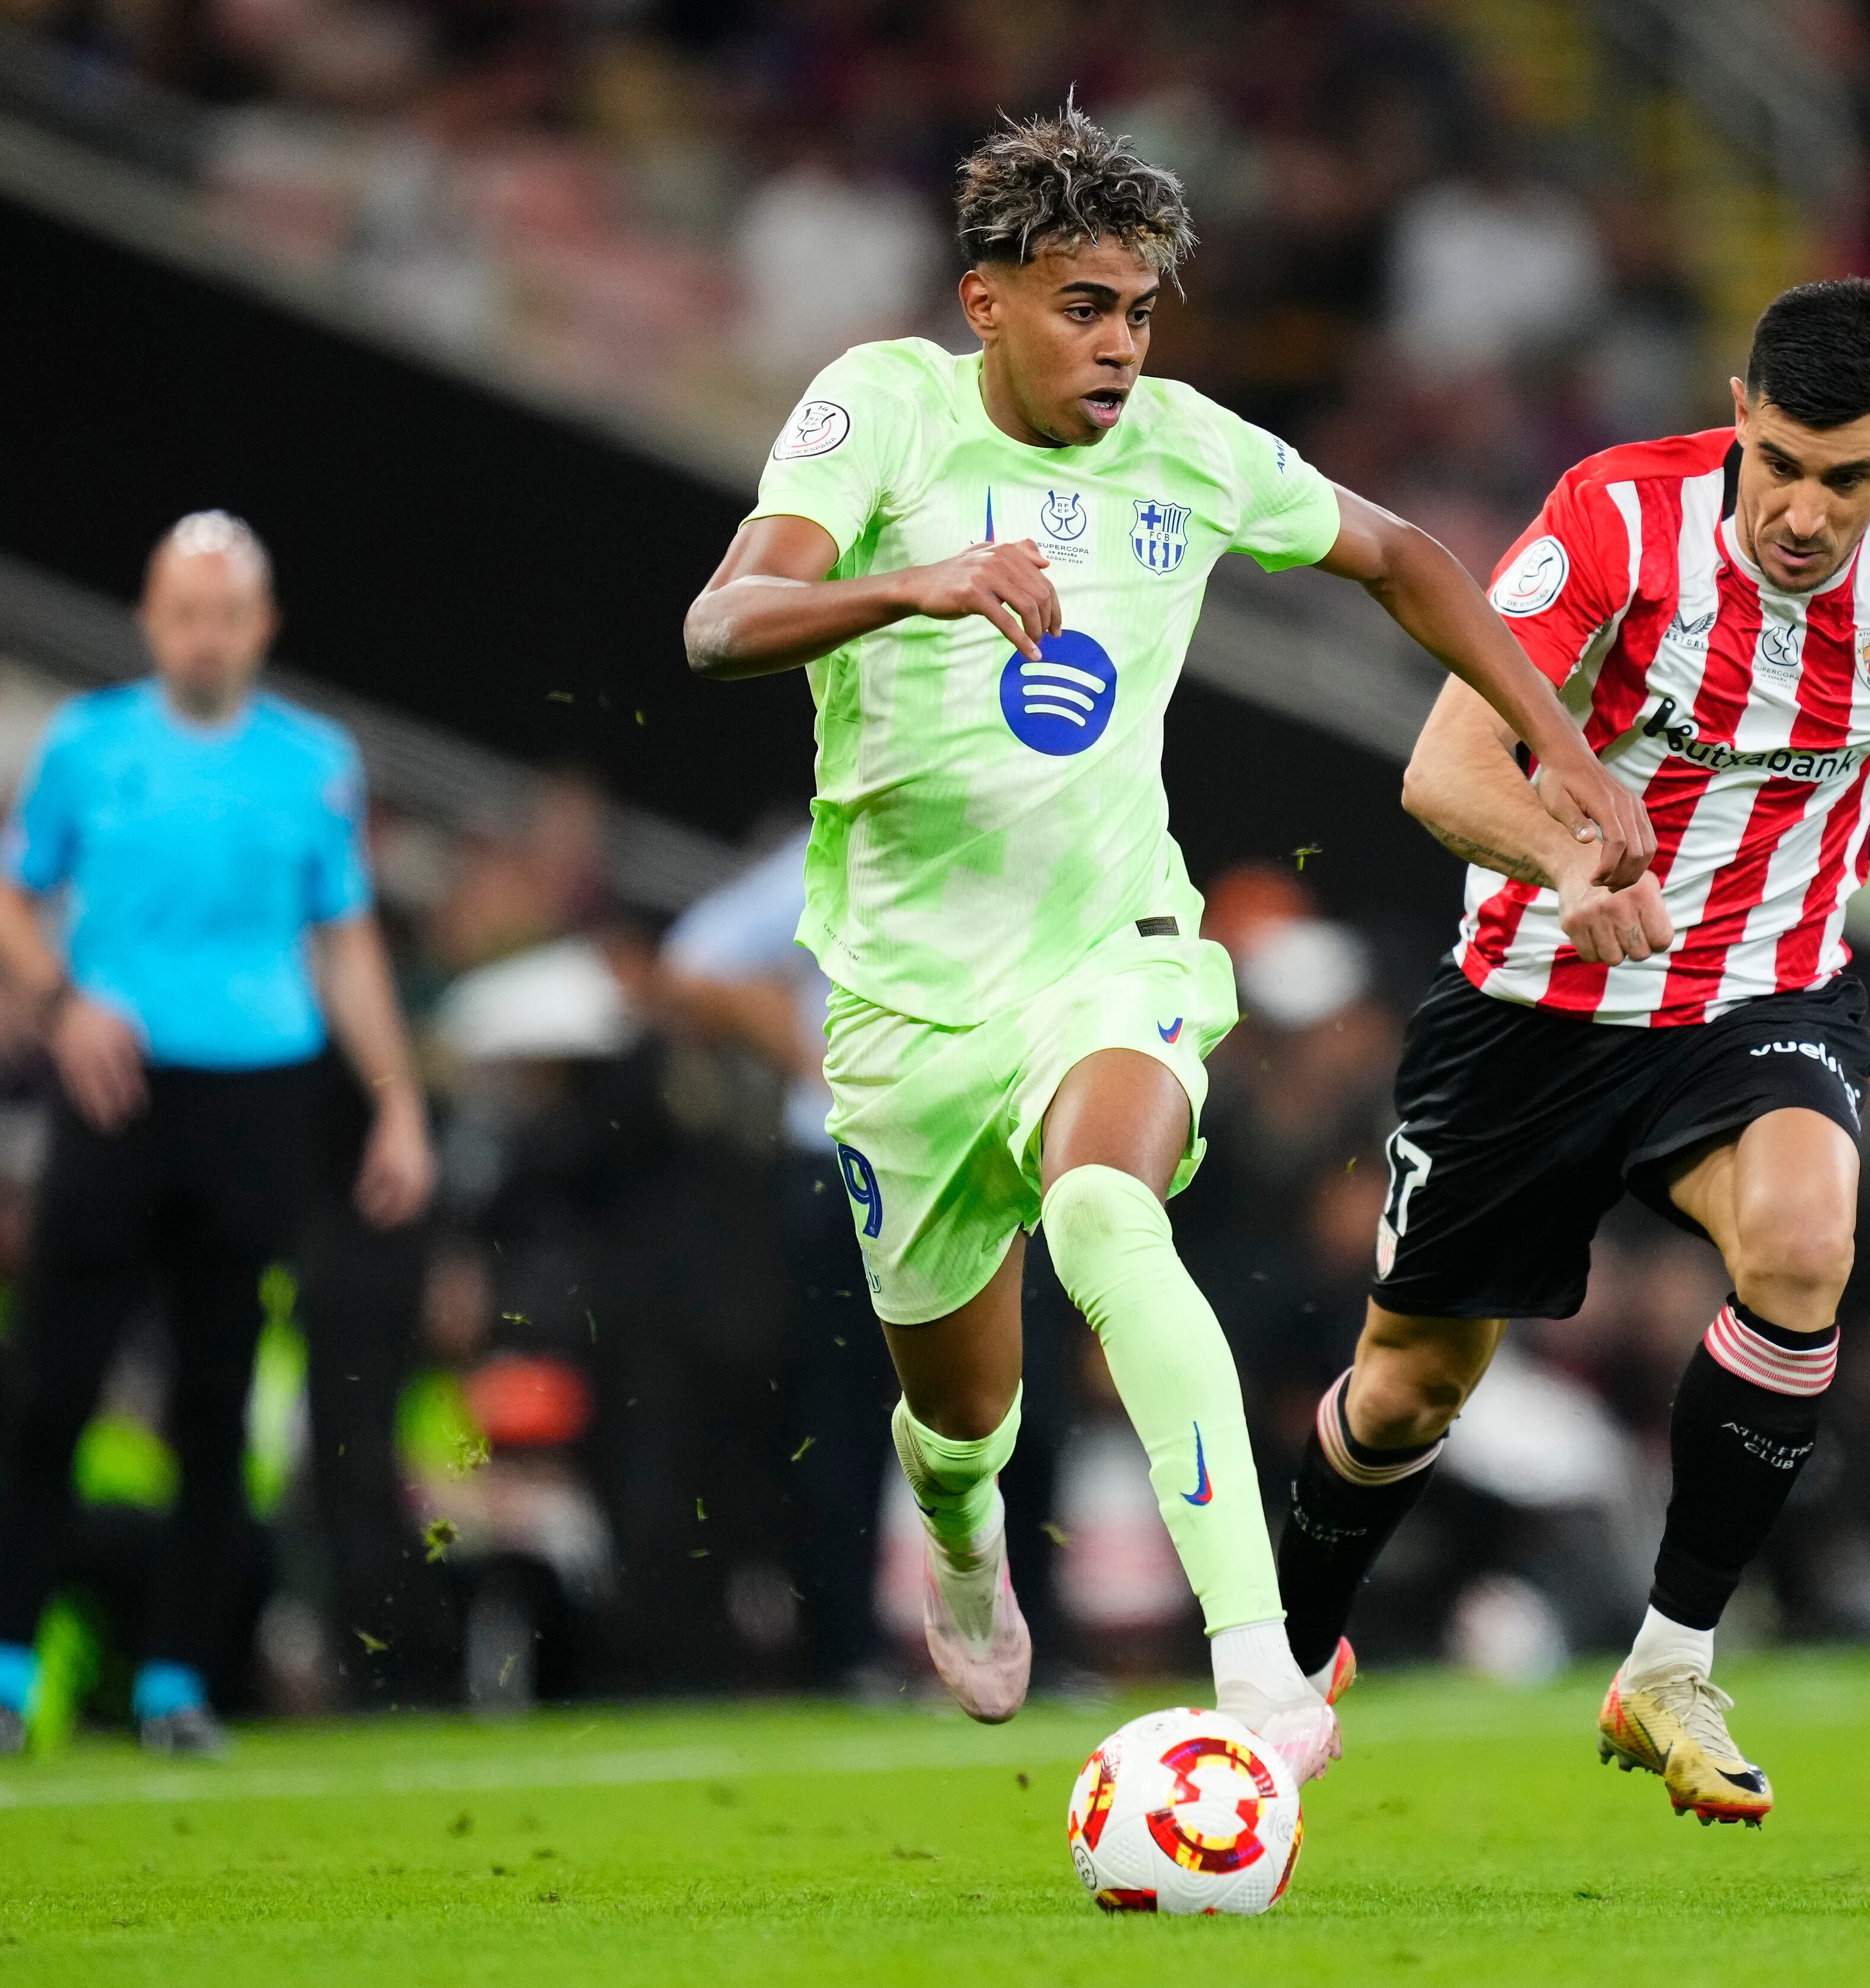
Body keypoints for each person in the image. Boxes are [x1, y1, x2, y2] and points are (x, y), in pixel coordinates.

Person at [679, 106, 1649, 1788]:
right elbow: (720, 623)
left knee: (1107, 1204)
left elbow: (1407, 558)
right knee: (962, 1416)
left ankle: (1259, 1664)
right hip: (907, 999)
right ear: (987, 302)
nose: (1119, 345)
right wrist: (911, 586)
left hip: (1109, 952)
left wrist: (1553, 742)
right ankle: (967, 1536)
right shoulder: (880, 406)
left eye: (1137, 309)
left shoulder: (1187, 449)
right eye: (1082, 307)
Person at [1270, 277, 1870, 1826]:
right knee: (1406, 1390)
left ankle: (1670, 1660)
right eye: (1780, 462)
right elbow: (1445, 768)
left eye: (1844, 476)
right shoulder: (1614, 524)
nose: (1803, 510)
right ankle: (1285, 1665)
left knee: (1807, 1242)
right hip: (1534, 1004)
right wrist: (1573, 864)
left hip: (1758, 996)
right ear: (1739, 412)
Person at [0, 512, 435, 1757]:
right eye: (183, 612)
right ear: (152, 621)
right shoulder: (87, 744)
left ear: (260, 627)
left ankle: (179, 1686)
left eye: (227, 614)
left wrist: (397, 1099)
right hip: (118, 1089)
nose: (204, 636)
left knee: (217, 1404)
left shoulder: (316, 761)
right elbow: (5, 892)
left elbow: (349, 938)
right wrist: (61, 1000)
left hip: (258, 1095)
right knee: (54, 1384)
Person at [660, 826, 896, 1688]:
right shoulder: (847, 836)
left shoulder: (1009, 817)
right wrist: (811, 1052)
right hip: (847, 1171)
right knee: (843, 1421)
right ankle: (845, 1651)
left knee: (1017, 1408)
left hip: (979, 1165)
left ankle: (1029, 1642)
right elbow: (695, 958)